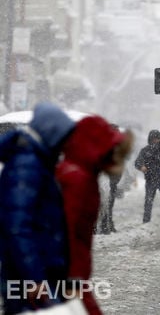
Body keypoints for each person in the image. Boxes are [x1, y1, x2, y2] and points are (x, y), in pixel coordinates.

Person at [0, 102, 76, 314]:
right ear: (51, 133)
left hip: (40, 273)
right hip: (30, 279)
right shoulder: (27, 165)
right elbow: (17, 227)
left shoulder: (36, 161)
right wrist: (34, 278)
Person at [56, 115, 133, 315]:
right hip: (66, 278)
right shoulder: (77, 180)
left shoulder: (82, 175)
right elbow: (66, 233)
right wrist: (72, 280)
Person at [135, 129, 160, 227]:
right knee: (149, 201)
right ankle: (146, 221)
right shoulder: (145, 150)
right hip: (150, 180)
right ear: (150, 139)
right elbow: (137, 162)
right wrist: (141, 167)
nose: (155, 141)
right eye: (153, 139)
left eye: (157, 138)